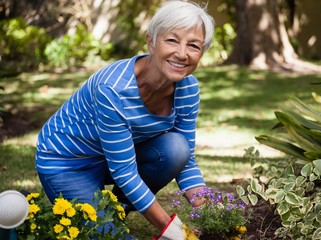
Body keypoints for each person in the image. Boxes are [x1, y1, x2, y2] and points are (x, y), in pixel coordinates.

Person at [35, 0, 214, 238]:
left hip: (116, 158)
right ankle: (104, 221)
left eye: (193, 45)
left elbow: (186, 159)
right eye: (171, 40)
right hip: (69, 162)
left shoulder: (188, 88)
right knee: (111, 236)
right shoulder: (113, 89)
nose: (182, 54)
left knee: (176, 148)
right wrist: (175, 231)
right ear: (151, 41)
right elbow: (125, 172)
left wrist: (214, 215)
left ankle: (114, 211)